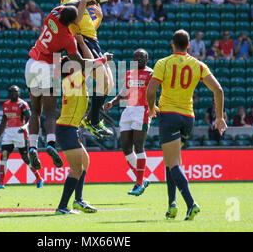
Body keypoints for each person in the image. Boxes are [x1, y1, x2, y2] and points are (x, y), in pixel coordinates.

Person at [146, 29, 227, 221]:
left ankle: (191, 204)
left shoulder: (163, 63)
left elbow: (150, 91)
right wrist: (219, 118)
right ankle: (171, 204)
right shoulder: (198, 65)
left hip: (169, 117)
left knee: (172, 163)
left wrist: (151, 109)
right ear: (189, 45)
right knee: (172, 160)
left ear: (172, 44)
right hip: (188, 118)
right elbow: (219, 89)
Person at [25, 0, 115, 171]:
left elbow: (78, 2)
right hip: (47, 67)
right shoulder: (68, 39)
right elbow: (82, 63)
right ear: (74, 22)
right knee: (50, 111)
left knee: (35, 110)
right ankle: (51, 143)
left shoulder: (53, 12)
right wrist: (104, 59)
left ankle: (32, 146)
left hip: (31, 63)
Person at [56, 0, 119, 138]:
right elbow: (76, 21)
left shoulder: (76, 2)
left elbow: (88, 26)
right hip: (84, 42)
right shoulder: (69, 2)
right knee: (104, 81)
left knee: (109, 83)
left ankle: (91, 119)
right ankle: (92, 120)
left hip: (92, 41)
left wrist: (99, 18)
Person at [55, 36, 100, 214]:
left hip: (69, 129)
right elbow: (91, 62)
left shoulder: (74, 81)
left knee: (84, 162)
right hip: (66, 129)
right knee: (76, 169)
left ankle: (78, 200)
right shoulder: (74, 80)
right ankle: (62, 207)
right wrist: (81, 42)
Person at [103, 49, 153, 196]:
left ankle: (138, 183)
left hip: (142, 111)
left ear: (147, 59)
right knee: (126, 147)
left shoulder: (151, 74)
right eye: (136, 57)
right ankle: (142, 179)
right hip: (128, 110)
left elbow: (154, 91)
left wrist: (153, 106)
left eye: (142, 57)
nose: (139, 59)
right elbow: (126, 91)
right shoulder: (129, 73)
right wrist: (113, 102)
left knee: (139, 145)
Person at [0, 85, 44, 189]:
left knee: (26, 158)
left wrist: (25, 126)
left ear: (19, 93)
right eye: (12, 92)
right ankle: (1, 183)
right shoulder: (6, 105)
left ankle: (39, 178)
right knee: (4, 156)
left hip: (20, 133)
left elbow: (30, 118)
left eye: (16, 92)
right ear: (9, 93)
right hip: (9, 133)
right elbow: (3, 122)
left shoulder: (22, 104)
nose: (14, 93)